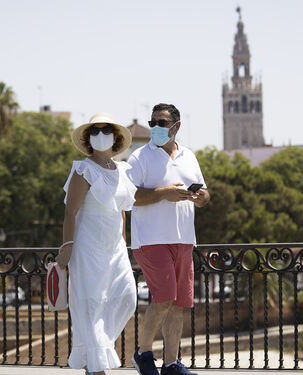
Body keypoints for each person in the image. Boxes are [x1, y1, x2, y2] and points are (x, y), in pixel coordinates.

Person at [127, 103, 210, 375]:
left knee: (179, 303)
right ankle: (143, 353)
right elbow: (131, 197)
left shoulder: (189, 156)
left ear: (176, 126)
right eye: (153, 122)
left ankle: (172, 364)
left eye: (162, 123)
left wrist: (200, 198)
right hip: (151, 240)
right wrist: (164, 193)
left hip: (184, 239)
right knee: (164, 297)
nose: (156, 128)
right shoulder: (139, 158)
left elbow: (204, 193)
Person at [56, 112, 138, 375]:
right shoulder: (83, 170)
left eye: (105, 130)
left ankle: (98, 352)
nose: (100, 135)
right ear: (88, 139)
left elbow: (121, 210)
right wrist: (67, 246)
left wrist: (124, 245)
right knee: (92, 304)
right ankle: (97, 365)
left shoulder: (122, 171)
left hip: (115, 249)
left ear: (116, 138)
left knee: (127, 298)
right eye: (94, 131)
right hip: (88, 249)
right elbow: (70, 212)